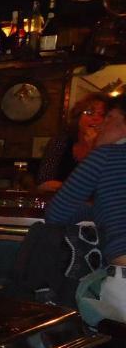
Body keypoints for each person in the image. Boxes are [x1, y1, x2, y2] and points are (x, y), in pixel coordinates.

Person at [46, 93, 126, 323]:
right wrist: (99, 207)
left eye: (109, 117)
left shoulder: (106, 156)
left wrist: (92, 208)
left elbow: (57, 213)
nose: (101, 124)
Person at [36, 93, 110, 192]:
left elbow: (102, 187)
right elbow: (44, 181)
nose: (95, 118)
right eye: (89, 113)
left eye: (102, 115)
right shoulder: (61, 141)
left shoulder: (111, 147)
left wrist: (93, 148)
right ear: (78, 116)